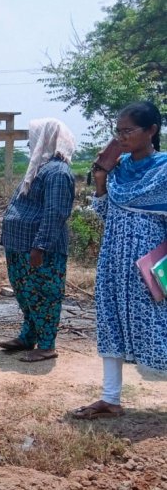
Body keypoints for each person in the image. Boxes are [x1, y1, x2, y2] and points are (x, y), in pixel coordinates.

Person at [72, 101, 167, 419]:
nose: (122, 137)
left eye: (128, 130)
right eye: (118, 131)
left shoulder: (164, 170)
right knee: (110, 324)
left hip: (149, 265)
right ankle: (110, 398)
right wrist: (100, 179)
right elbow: (103, 214)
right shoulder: (119, 169)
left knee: (156, 326)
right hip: (112, 261)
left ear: (151, 131)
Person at [0, 118, 76, 363]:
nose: (31, 141)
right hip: (20, 244)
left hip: (39, 248)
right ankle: (27, 336)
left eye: (34, 136)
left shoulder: (58, 171)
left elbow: (55, 213)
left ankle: (46, 345)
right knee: (26, 293)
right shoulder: (39, 167)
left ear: (47, 138)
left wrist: (40, 246)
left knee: (44, 296)